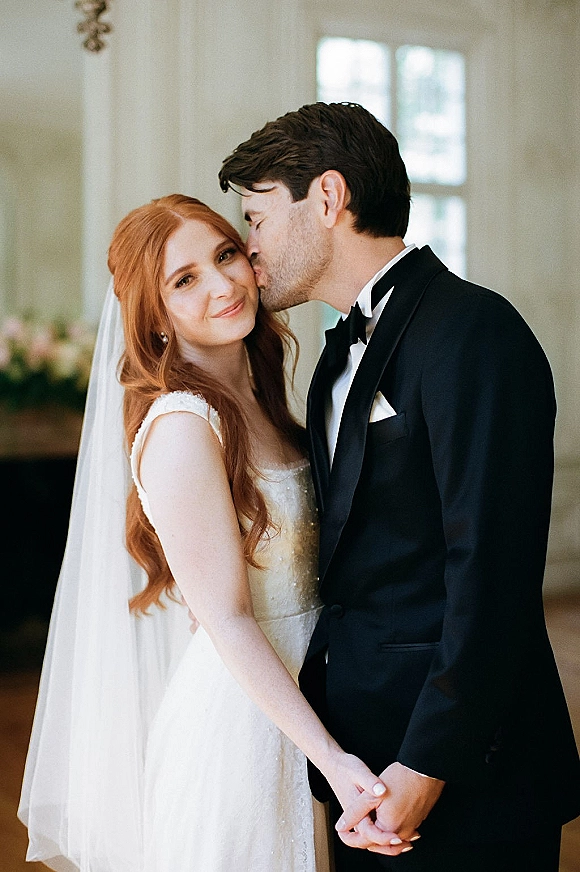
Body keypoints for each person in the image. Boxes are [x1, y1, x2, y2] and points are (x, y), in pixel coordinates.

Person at [218, 101, 580, 871]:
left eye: (256, 218)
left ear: (327, 197)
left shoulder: (475, 331)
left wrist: (427, 765)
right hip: (361, 761)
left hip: (468, 764)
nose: (250, 250)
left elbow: (491, 571)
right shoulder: (329, 363)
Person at [18, 194, 411, 872]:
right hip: (249, 733)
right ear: (156, 316)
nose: (224, 283)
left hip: (321, 702)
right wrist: (332, 760)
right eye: (185, 279)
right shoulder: (181, 427)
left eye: (226, 253)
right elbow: (226, 619)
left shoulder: (269, 403)